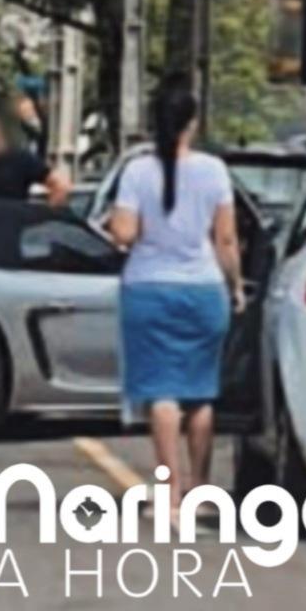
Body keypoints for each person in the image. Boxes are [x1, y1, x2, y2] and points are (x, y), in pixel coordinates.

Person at [107, 81, 244, 518]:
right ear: (193, 122)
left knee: (162, 394)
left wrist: (143, 228)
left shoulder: (137, 171)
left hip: (147, 289)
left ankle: (167, 493)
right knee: (200, 394)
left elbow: (122, 233)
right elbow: (225, 238)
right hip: (204, 290)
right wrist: (236, 286)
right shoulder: (214, 170)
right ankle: (200, 491)